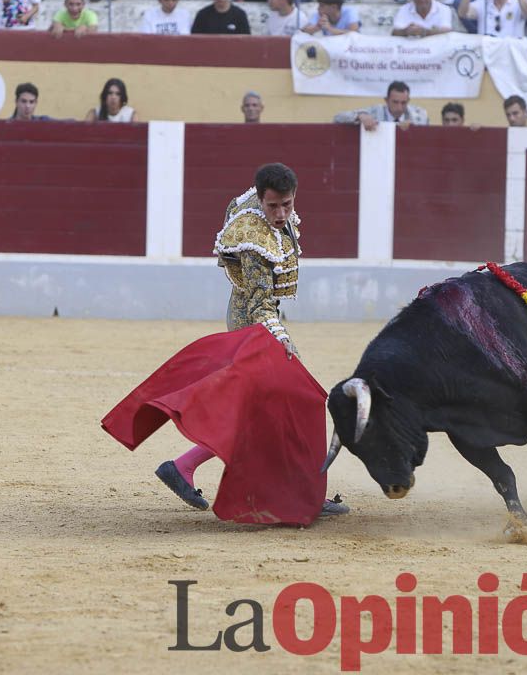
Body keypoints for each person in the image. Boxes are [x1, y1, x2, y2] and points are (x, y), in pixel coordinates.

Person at [153, 163, 349, 519]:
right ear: (260, 200)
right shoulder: (254, 239)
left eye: (287, 205)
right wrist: (282, 339)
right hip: (253, 325)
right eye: (273, 206)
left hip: (254, 317)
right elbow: (260, 304)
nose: (281, 214)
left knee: (263, 412)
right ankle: (305, 491)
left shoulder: (255, 204)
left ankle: (184, 466)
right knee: (300, 402)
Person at [334, 81, 429, 129]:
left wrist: (414, 128)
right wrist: (359, 116)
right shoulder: (375, 112)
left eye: (403, 103)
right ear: (386, 100)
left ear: (408, 100)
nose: (399, 108)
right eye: (395, 102)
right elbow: (337, 118)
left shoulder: (419, 116)